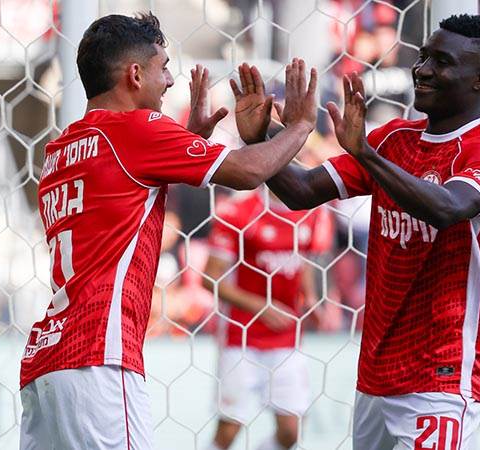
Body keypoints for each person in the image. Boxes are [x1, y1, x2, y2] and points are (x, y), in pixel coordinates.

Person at [19, 12, 317, 450]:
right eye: (163, 68)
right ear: (135, 75)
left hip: (46, 361)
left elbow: (120, 197)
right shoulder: (136, 129)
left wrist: (185, 142)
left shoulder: (60, 149)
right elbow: (249, 172)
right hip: (99, 356)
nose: (171, 81)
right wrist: (301, 126)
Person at [232, 14, 480, 450]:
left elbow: (447, 208)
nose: (422, 70)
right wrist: (261, 137)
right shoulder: (393, 139)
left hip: (440, 376)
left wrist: (366, 154)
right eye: (423, 57)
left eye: (441, 62)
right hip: (377, 373)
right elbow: (302, 191)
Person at [203, 189, 331, 450]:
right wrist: (260, 306)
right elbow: (210, 278)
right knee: (228, 430)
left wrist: (311, 298)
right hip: (241, 336)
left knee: (291, 431)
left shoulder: (312, 211)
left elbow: (303, 260)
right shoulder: (237, 211)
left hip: (287, 336)